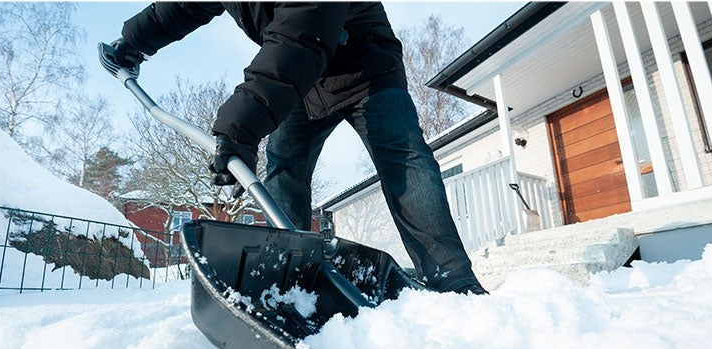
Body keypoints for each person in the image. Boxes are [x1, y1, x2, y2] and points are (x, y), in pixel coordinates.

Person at [110, 2, 488, 295]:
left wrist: (240, 127)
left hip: (365, 66)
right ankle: (282, 280)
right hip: (303, 79)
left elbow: (301, 34)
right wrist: (131, 43)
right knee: (283, 169)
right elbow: (179, 7)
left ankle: (451, 279)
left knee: (404, 160)